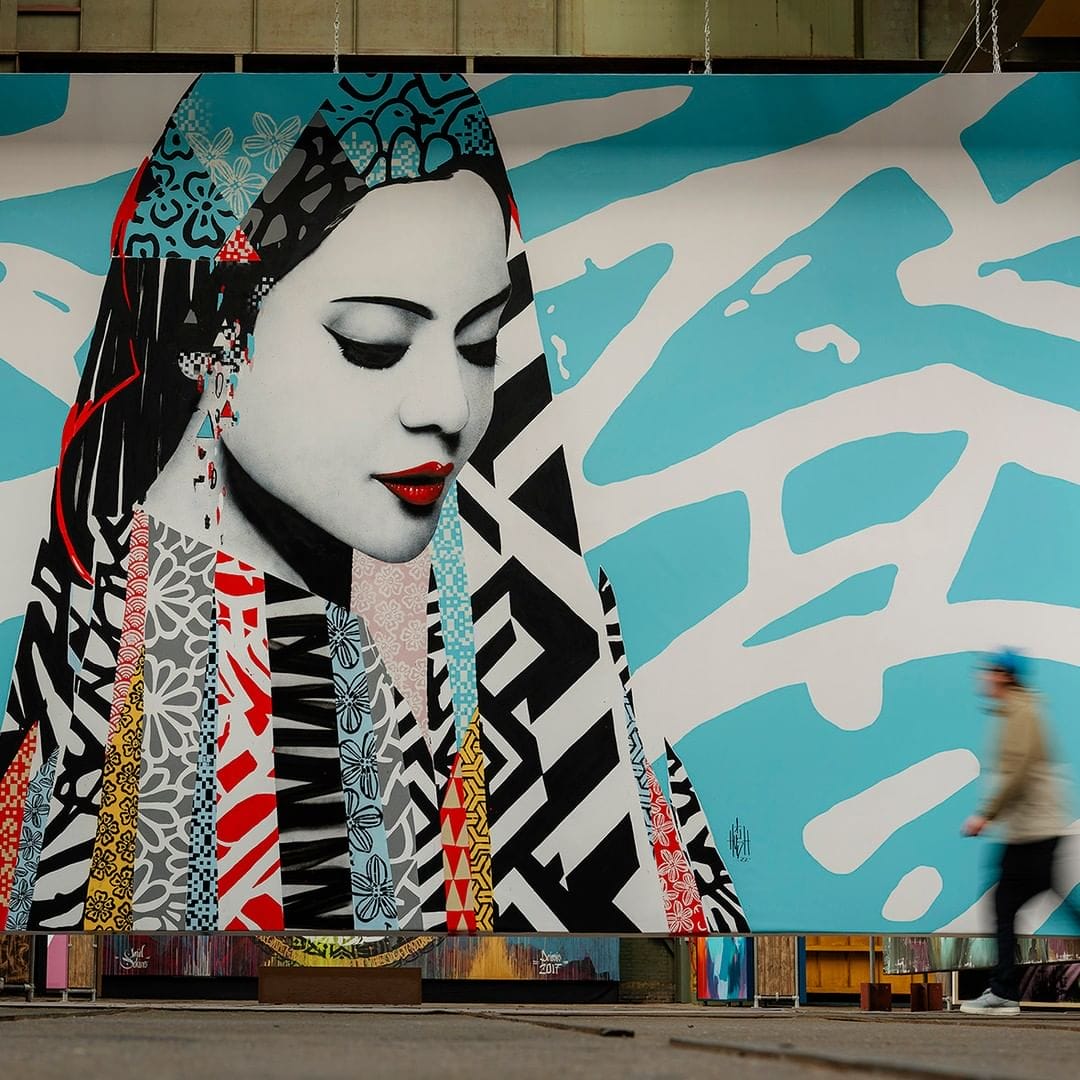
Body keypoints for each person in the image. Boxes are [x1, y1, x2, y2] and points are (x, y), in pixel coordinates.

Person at [0, 73, 745, 938]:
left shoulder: (538, 614)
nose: (453, 408)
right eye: (374, 343)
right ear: (214, 339)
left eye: (479, 342)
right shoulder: (105, 638)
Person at [961, 649, 1075, 1016]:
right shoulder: (1017, 710)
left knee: (1005, 904)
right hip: (1033, 829)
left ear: (1004, 675)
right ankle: (1003, 988)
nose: (983, 678)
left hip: (1032, 831)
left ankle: (1004, 991)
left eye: (989, 672)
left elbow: (1019, 771)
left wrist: (985, 815)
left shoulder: (1021, 712)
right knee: (1033, 901)